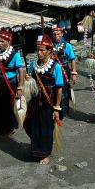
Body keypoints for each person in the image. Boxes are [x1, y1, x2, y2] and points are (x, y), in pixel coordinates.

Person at [24, 34, 64, 165]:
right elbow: (29, 81)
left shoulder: (56, 67)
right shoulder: (33, 65)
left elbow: (59, 88)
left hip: (49, 103)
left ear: (49, 51)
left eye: (42, 50)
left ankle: (45, 153)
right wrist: (28, 80)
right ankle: (36, 151)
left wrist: (57, 108)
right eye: (38, 50)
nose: (39, 53)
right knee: (33, 126)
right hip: (35, 102)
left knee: (46, 128)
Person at [0, 29, 25, 135]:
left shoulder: (15, 55)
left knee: (9, 107)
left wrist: (20, 87)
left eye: (2, 41)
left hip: (11, 84)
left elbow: (20, 71)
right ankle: (0, 127)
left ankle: (9, 128)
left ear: (8, 41)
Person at [51, 25, 78, 118]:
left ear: (62, 34)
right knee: (54, 89)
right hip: (53, 71)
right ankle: (55, 107)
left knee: (64, 90)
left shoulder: (67, 45)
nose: (56, 36)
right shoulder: (50, 45)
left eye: (58, 34)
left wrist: (74, 73)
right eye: (54, 34)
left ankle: (65, 110)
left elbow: (73, 59)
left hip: (64, 70)